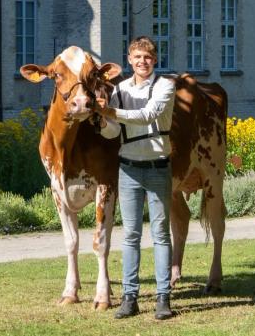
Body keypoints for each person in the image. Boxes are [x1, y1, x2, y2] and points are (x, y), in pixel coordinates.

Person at [94, 36, 176, 320]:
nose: (143, 62)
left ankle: (163, 298)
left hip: (157, 167)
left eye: (148, 57)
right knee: (130, 235)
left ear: (155, 60)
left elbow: (148, 114)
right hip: (128, 168)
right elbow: (114, 132)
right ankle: (130, 297)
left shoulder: (165, 85)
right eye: (138, 57)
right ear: (129, 59)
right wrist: (102, 119)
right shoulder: (119, 89)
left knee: (161, 233)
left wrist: (110, 111)